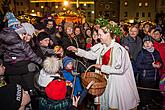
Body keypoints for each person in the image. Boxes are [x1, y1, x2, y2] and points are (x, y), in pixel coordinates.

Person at [67, 18, 140, 110]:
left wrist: (102, 67)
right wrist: (77, 50)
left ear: (108, 34)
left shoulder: (119, 50)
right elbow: (91, 54)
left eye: (100, 34)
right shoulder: (102, 46)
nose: (98, 37)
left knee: (114, 104)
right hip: (104, 81)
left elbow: (120, 69)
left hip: (116, 83)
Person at [136, 35, 162, 109]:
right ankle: (143, 106)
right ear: (143, 43)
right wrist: (151, 66)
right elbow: (138, 65)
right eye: (145, 42)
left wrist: (160, 64)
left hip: (154, 77)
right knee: (144, 93)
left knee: (151, 93)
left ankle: (148, 104)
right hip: (145, 78)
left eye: (149, 42)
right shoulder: (142, 53)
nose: (147, 44)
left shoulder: (156, 52)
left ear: (152, 43)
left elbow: (160, 61)